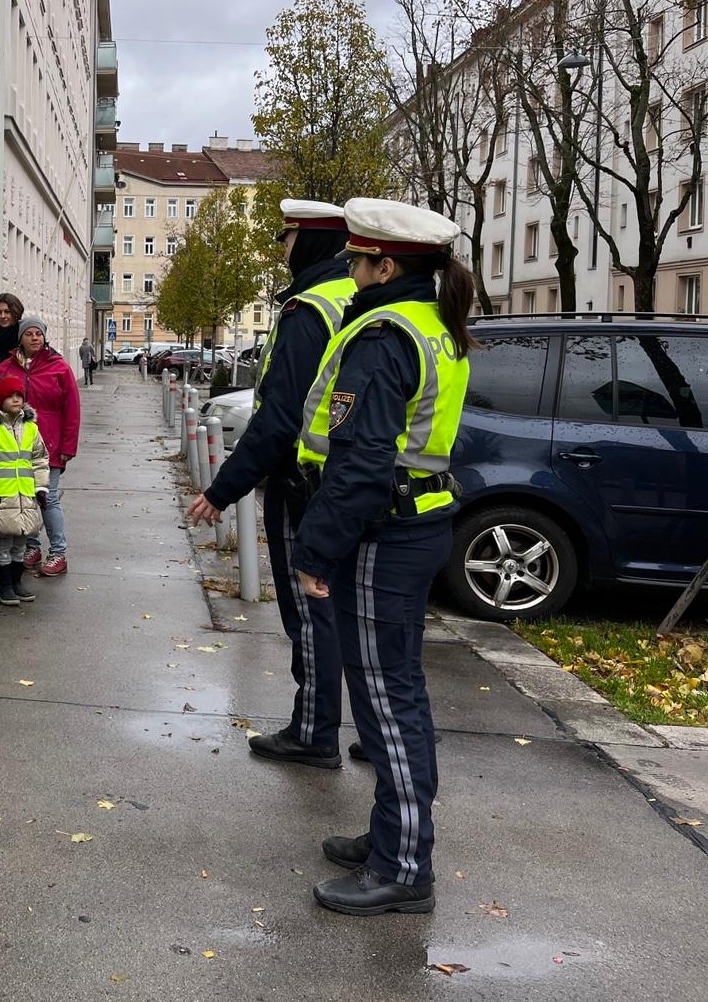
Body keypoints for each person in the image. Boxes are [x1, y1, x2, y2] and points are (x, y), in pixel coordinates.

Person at [290, 199, 473, 917]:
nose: (352, 271)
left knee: (387, 705)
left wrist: (315, 550)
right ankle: (392, 836)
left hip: (385, 533)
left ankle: (403, 866)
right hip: (414, 522)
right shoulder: (430, 322)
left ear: (385, 266)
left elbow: (363, 462)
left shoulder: (386, 334)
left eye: (359, 261)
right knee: (396, 694)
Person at [186, 200, 355, 770]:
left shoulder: (308, 309)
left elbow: (280, 417)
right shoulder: (358, 296)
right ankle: (374, 733)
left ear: (311, 241)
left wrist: (221, 490)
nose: (282, 248)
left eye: (288, 237)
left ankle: (314, 731)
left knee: (309, 610)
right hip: (353, 480)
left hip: (304, 483)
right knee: (351, 610)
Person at [0, 316, 80, 577]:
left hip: (50, 445)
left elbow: (72, 409)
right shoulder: (5, 368)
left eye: (38, 334)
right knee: (26, 498)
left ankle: (58, 552)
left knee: (47, 498)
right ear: (20, 338)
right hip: (14, 446)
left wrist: (67, 447)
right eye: (29, 334)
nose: (34, 338)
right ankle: (32, 547)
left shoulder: (59, 367)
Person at [0, 376, 47, 614]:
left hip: (25, 495)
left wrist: (41, 488)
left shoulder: (31, 428)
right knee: (4, 543)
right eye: (10, 396)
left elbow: (39, 459)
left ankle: (16, 582)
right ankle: (4, 586)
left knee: (21, 543)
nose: (15, 400)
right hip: (1, 496)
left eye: (19, 396)